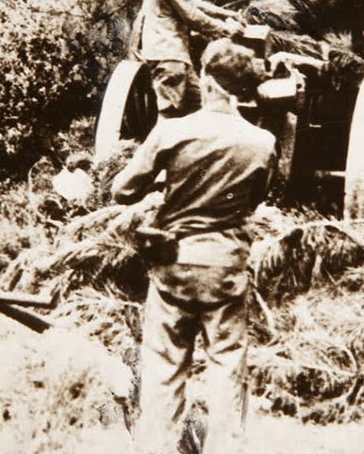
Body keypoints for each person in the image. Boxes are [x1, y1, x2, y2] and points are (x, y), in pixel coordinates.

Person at [111, 38, 276, 454]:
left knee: (165, 371)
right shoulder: (261, 143)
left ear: (205, 78)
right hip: (226, 270)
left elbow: (122, 191)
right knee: (227, 371)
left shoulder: (171, 131)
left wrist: (169, 187)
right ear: (239, 88)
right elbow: (255, 199)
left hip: (174, 267)